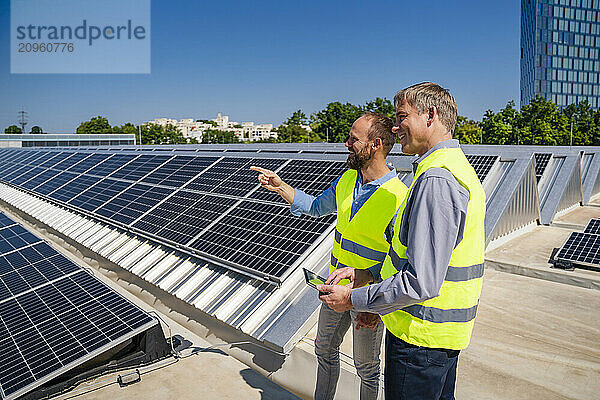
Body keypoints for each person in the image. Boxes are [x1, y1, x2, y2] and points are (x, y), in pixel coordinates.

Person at [320, 82, 486, 400]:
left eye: (401, 117)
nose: (396, 128)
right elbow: (420, 258)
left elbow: (421, 282)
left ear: (430, 115)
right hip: (436, 340)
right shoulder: (453, 168)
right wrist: (367, 275)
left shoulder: (436, 179)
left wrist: (353, 300)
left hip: (419, 340)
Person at [251, 112, 408, 400]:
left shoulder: (399, 197)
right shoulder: (348, 180)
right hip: (333, 287)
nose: (346, 143)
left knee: (367, 368)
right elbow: (314, 206)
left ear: (375, 144)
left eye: (353, 139)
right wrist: (281, 186)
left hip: (367, 297)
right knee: (323, 349)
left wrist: (378, 306)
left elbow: (399, 262)